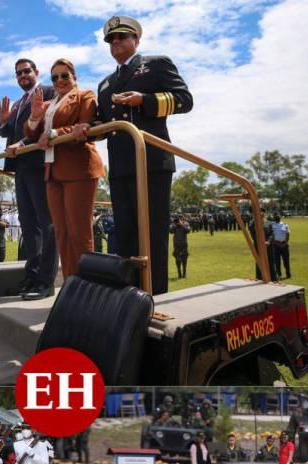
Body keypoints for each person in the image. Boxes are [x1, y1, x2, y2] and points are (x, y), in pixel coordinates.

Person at [95, 16, 193, 295]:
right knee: (125, 235)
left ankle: (155, 297)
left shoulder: (156, 64)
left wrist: (145, 100)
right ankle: (131, 295)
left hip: (151, 161)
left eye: (122, 37)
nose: (116, 42)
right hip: (120, 167)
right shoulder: (105, 84)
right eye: (111, 39)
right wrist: (83, 129)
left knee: (151, 235)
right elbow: (102, 125)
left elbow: (185, 100)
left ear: (136, 40)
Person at [24, 58, 104, 282]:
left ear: (74, 77)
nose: (59, 80)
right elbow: (31, 133)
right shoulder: (49, 105)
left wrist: (54, 134)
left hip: (79, 169)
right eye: (54, 77)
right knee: (61, 232)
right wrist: (35, 116)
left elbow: (86, 125)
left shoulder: (85, 95)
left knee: (79, 232)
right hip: (52, 172)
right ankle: (71, 284)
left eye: (64, 75)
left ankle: (87, 287)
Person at [0, 58, 57, 299]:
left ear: (36, 72)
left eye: (26, 71)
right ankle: (31, 277)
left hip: (38, 162)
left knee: (47, 223)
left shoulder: (48, 91)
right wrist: (3, 121)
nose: (22, 76)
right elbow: (8, 131)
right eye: (18, 73)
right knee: (28, 225)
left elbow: (48, 123)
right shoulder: (19, 102)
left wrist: (22, 143)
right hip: (20, 167)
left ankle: (45, 282)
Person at [270, 212, 291, 279]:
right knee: (277, 261)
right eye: (275, 215)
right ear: (274, 217)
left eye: (278, 215)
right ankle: (279, 275)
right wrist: (277, 243)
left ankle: (288, 274)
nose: (277, 216)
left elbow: (287, 235)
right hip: (276, 245)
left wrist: (285, 243)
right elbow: (272, 236)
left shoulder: (285, 225)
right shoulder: (272, 225)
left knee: (286, 261)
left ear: (280, 216)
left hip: (284, 245)